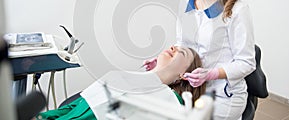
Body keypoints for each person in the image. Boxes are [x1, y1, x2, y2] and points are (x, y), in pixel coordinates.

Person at [145, 0, 256, 120]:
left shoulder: (236, 10)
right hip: (192, 90)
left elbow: (247, 62)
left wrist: (212, 74)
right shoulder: (185, 1)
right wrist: (164, 62)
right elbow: (183, 46)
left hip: (222, 96)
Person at [36, 46, 206, 120]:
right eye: (174, 46)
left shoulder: (173, 102)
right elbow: (74, 107)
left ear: (184, 74)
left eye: (181, 53)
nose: (173, 48)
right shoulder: (123, 77)